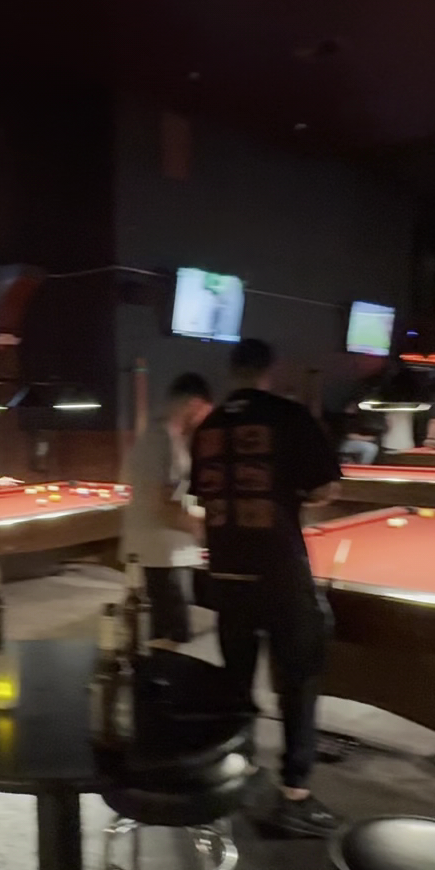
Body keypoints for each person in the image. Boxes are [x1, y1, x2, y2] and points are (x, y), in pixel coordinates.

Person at [191, 338, 341, 837]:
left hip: (225, 573)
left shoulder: (208, 426)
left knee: (236, 683)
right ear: (269, 371)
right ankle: (294, 795)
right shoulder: (289, 415)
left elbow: (205, 496)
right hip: (279, 572)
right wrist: (290, 496)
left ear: (231, 371)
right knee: (298, 681)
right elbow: (326, 487)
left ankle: (239, 769)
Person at [120, 371, 214, 646]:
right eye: (205, 413)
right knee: (172, 637)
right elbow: (157, 503)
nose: (204, 421)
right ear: (194, 404)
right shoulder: (157, 439)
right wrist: (199, 525)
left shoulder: (172, 438)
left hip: (171, 552)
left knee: (170, 632)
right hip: (160, 554)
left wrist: (196, 512)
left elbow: (173, 494)